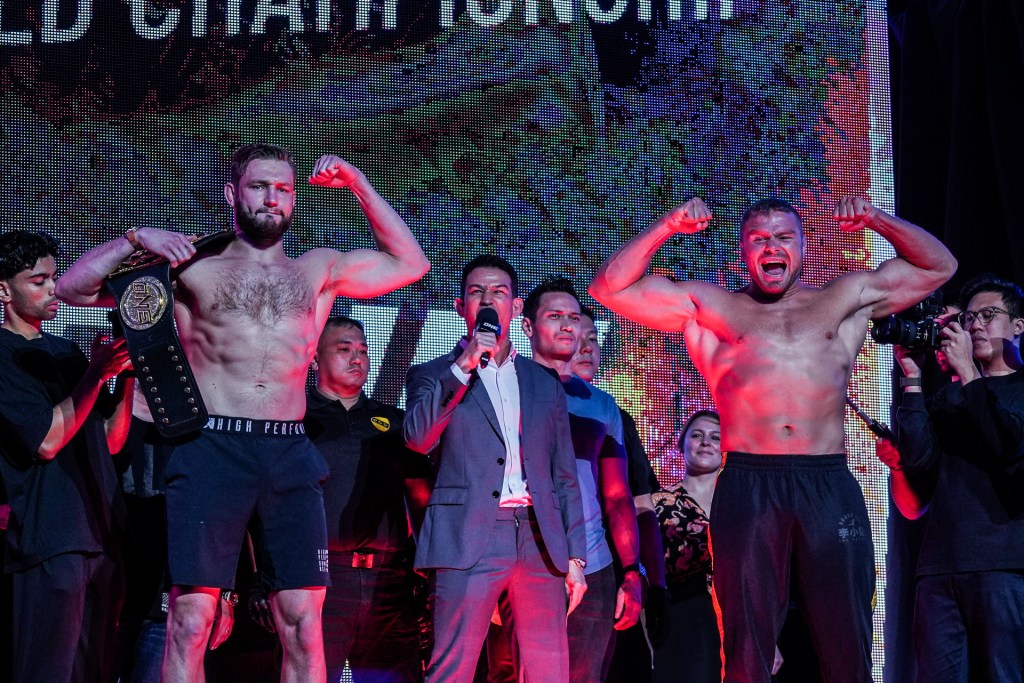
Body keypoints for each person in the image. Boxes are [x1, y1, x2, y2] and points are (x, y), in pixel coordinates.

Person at [54, 143, 430, 683]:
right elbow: (73, 290)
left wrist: (357, 181)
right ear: (233, 194)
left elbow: (411, 263)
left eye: (283, 189)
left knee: (302, 621)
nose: (272, 198)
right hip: (212, 448)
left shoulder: (317, 270)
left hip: (288, 451)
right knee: (191, 618)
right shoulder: (190, 268)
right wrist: (136, 239)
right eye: (259, 186)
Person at [589, 196, 957, 681]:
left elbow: (939, 265)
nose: (771, 247)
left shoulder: (844, 298)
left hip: (826, 481)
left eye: (783, 236)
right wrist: (668, 225)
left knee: (848, 637)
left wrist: (874, 218)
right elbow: (610, 287)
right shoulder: (711, 306)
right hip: (748, 482)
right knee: (745, 643)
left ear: (803, 246)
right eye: (759, 239)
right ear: (744, 251)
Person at [403, 254, 587, 683]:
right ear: (460, 307)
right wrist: (463, 367)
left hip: (540, 540)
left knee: (548, 671)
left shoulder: (543, 382)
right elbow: (417, 438)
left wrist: (575, 555)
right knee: (452, 669)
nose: (488, 300)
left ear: (516, 307)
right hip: (467, 534)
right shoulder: (432, 373)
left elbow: (564, 475)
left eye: (499, 292)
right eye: (477, 292)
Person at [0, 229, 134, 682]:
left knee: (93, 673)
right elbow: (46, 440)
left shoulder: (66, 351)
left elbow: (111, 441)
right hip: (48, 541)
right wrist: (96, 373)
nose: (53, 289)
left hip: (100, 537)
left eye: (55, 278)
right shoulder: (3, 355)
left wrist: (126, 373)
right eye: (37, 281)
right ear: (4, 290)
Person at [893, 274, 1024, 682]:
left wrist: (968, 372)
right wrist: (912, 379)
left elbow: (1006, 446)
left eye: (989, 315)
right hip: (938, 570)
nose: (976, 326)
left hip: (1004, 568)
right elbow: (918, 462)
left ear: (1018, 327)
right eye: (969, 319)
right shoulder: (948, 398)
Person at [515, 278, 641, 682]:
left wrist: (631, 572)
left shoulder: (602, 405)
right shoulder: (505, 387)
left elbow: (618, 497)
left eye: (574, 317)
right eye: (556, 316)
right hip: (523, 561)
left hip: (595, 562)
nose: (569, 326)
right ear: (528, 326)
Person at [304, 316, 432, 683]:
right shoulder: (295, 416)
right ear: (314, 357)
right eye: (344, 349)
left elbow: (420, 497)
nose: (357, 358)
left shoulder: (392, 421)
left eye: (362, 350)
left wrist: (425, 571)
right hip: (321, 578)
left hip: (388, 580)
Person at [572, 308, 669, 683]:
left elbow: (640, 506)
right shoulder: (528, 404)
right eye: (575, 339)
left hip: (610, 572)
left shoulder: (615, 417)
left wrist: (655, 583)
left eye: (593, 340)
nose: (585, 348)